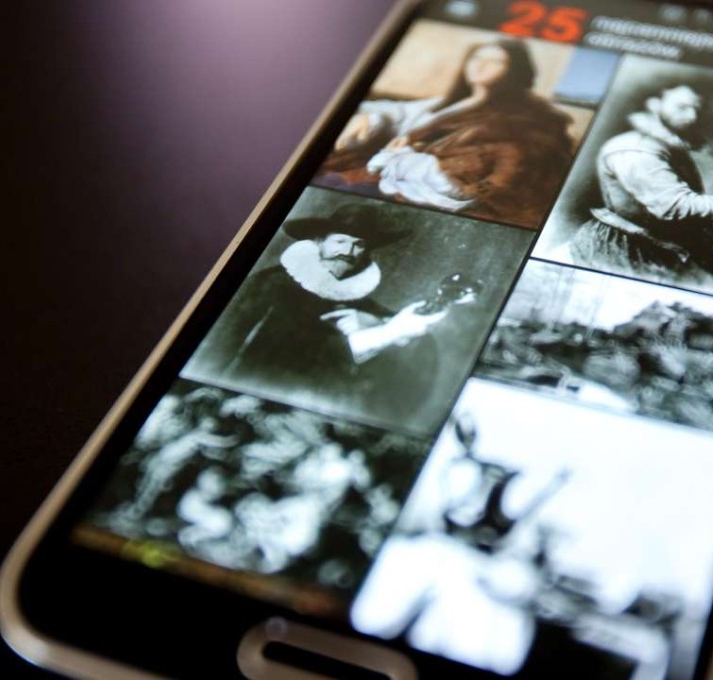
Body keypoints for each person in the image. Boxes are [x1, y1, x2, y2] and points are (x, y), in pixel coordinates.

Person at [189, 204, 444, 424]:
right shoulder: (268, 284)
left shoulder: (361, 305)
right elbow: (217, 344)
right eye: (341, 241)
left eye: (359, 245)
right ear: (319, 242)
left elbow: (404, 339)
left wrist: (383, 327)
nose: (349, 251)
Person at [569, 85, 713, 292]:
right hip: (622, 249)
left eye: (696, 109)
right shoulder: (635, 149)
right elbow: (674, 207)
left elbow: (680, 223)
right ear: (654, 104)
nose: (692, 116)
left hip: (659, 247)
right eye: (682, 107)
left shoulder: (669, 147)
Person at [313, 40, 574, 229]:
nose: (480, 65)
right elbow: (399, 113)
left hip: (430, 182)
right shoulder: (450, 102)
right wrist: (371, 118)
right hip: (393, 166)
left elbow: (503, 161)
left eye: (495, 61)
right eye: (476, 57)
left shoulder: (520, 117)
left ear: (514, 70)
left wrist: (416, 154)